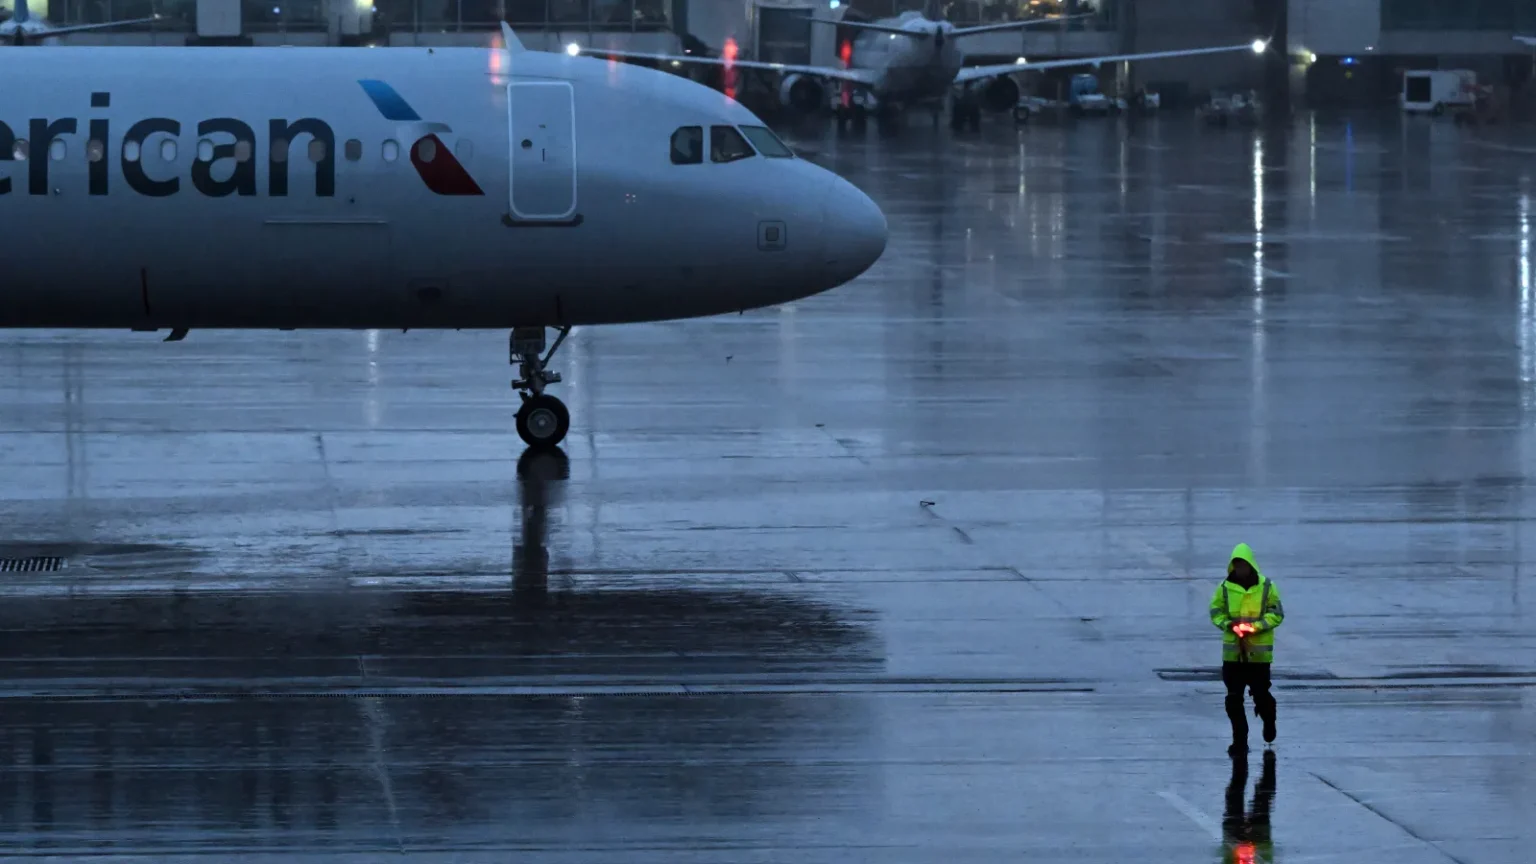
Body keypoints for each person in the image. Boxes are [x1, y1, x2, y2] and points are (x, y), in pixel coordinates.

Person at [1209, 543, 1284, 755]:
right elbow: (1215, 612)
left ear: (1250, 565)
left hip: (1258, 657)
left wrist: (1255, 627)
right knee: (1233, 699)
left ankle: (1269, 720)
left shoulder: (1267, 587)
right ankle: (1240, 741)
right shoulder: (1224, 588)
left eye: (1243, 565)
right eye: (1237, 565)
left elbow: (1276, 614)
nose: (1240, 569)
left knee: (1261, 695)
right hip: (1233, 655)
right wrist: (1229, 625)